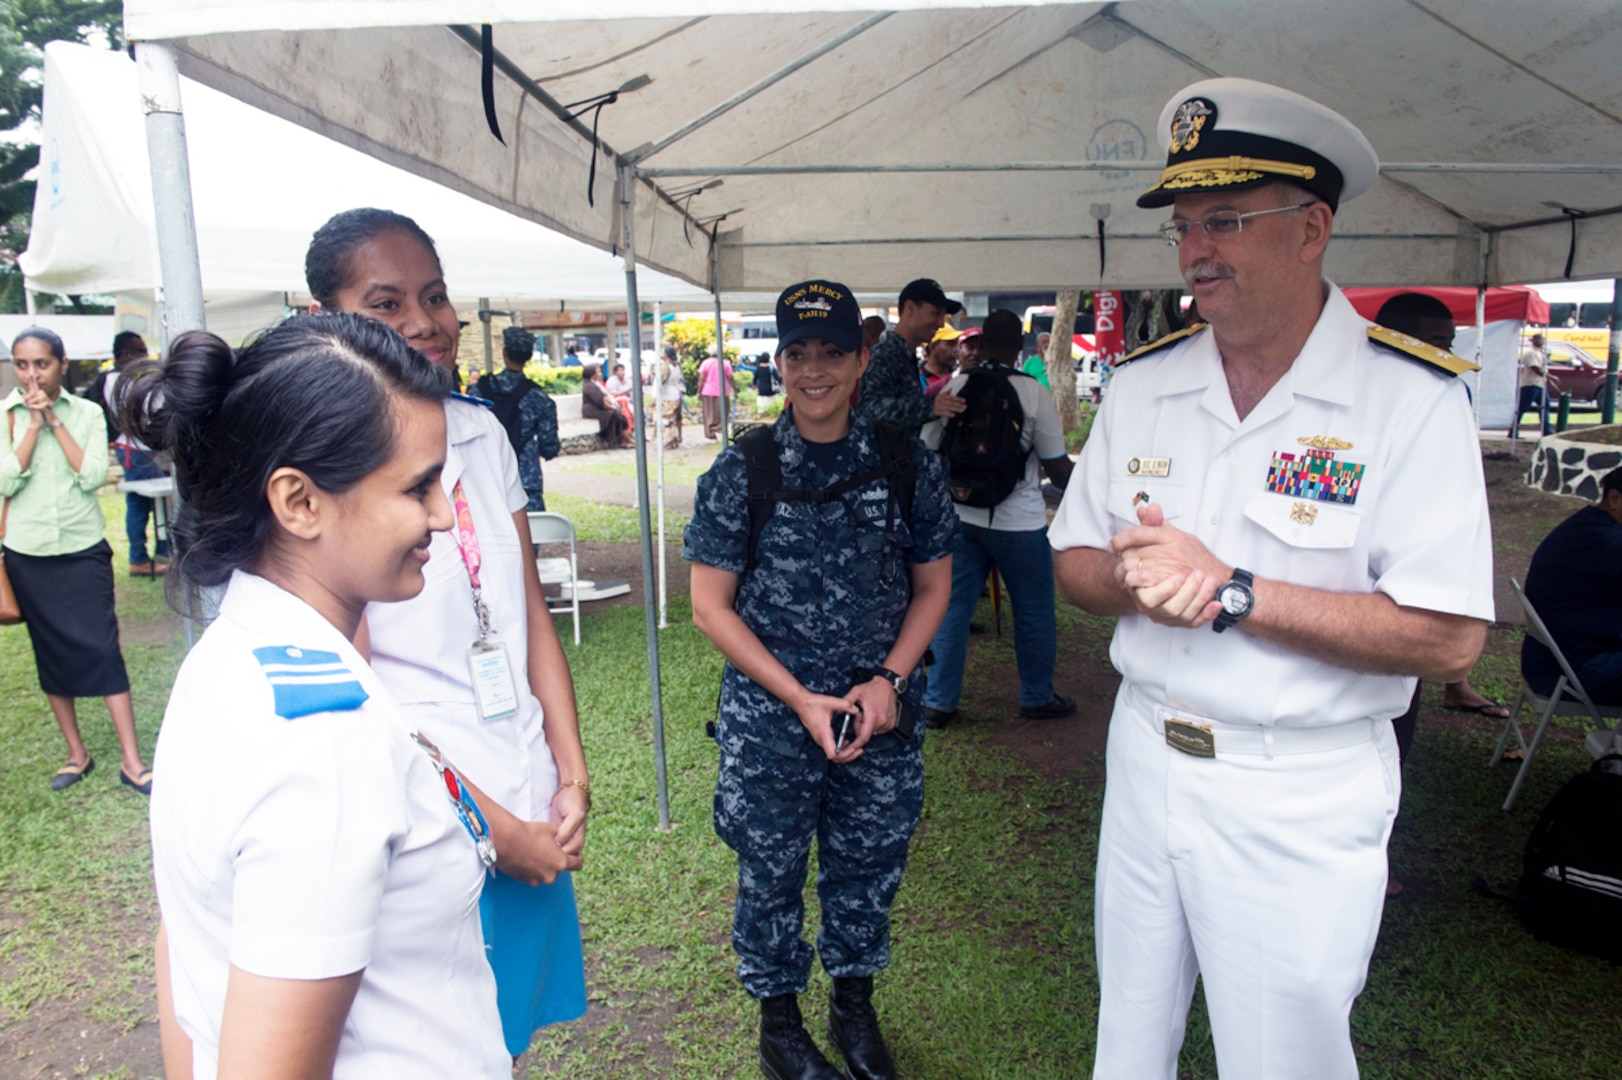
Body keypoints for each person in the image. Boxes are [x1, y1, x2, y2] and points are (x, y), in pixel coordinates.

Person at [1049, 78, 1493, 1078]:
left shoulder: (1406, 399)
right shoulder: (1144, 383)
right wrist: (1137, 582)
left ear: (1309, 230)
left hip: (1295, 781)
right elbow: (1075, 564)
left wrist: (1229, 588)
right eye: (1184, 227)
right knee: (1126, 1041)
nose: (1195, 249)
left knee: (1281, 1059)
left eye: (1225, 221)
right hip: (1145, 756)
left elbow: (1447, 638)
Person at [131, 314, 509, 1078]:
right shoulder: (324, 746)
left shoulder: (227, 661)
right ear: (298, 502)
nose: (441, 513)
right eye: (417, 486)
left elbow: (188, 950)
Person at [306, 207, 590, 1057]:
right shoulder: (320, 468)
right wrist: (499, 831)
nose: (424, 323)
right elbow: (357, 698)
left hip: (528, 787)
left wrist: (568, 774)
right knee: (438, 1046)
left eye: (434, 296)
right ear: (324, 320)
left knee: (504, 1041)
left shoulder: (482, 430)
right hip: (433, 823)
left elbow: (528, 612)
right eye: (386, 303)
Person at [685, 279, 957, 1080]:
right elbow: (710, 607)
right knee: (769, 872)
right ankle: (780, 1029)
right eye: (797, 353)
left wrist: (890, 679)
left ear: (862, 357)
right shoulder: (745, 470)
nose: (814, 371)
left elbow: (935, 586)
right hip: (774, 720)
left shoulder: (907, 464)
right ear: (779, 361)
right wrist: (800, 698)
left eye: (832, 352)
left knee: (867, 865)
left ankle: (854, 1009)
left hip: (874, 716)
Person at [3, 328, 151, 795]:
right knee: (49, 652)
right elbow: (6, 483)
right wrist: (30, 425)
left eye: (41, 364)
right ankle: (76, 753)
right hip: (28, 552)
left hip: (83, 546)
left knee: (104, 647)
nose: (32, 375)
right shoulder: (5, 416)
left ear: (62, 365)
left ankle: (132, 761)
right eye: (22, 365)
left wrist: (54, 423)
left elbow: (90, 476)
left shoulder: (87, 412)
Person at [921, 309, 1075, 729]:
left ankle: (938, 702)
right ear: (1019, 345)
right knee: (1033, 607)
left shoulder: (956, 385)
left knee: (952, 608)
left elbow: (929, 446)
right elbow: (1057, 467)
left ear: (983, 343)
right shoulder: (1032, 392)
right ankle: (1037, 696)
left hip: (960, 514)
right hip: (1019, 522)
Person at [1373, 293, 1510, 757]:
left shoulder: (1448, 389)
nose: (1446, 352)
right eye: (1435, 340)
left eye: (1449, 341)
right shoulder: (1362, 391)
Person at [1522, 466, 1622, 704]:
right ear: (1615, 499)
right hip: (1573, 672)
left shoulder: (1588, 527)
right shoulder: (1606, 541)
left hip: (1557, 662)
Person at [85, 331, 170, 574]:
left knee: (142, 502)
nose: (145, 356)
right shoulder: (117, 381)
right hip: (134, 449)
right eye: (141, 351)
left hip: (135, 449)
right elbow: (143, 412)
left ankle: (149, 554)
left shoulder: (120, 378)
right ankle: (143, 557)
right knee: (151, 501)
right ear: (125, 354)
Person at [855, 278, 965, 431]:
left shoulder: (905, 356)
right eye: (936, 313)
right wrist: (930, 406)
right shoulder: (885, 354)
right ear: (910, 308)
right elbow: (870, 409)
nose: (940, 323)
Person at [476, 325, 560, 512]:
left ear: (504, 352)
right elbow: (550, 446)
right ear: (530, 356)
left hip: (484, 475)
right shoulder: (539, 398)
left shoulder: (479, 390)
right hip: (525, 477)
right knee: (531, 535)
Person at [582, 362, 632, 448]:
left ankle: (624, 440)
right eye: (598, 372)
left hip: (599, 408)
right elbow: (600, 402)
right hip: (592, 410)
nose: (600, 374)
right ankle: (624, 440)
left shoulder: (596, 383)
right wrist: (613, 408)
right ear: (592, 374)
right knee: (615, 415)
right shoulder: (589, 386)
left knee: (620, 416)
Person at [1511, 332, 1550, 439]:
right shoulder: (1530, 353)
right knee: (1522, 408)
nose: (1542, 342)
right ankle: (1513, 430)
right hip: (1530, 384)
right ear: (1535, 340)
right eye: (1540, 339)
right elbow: (1535, 368)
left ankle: (1547, 430)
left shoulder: (1540, 353)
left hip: (1539, 384)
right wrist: (1551, 377)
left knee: (1545, 406)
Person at [698, 349, 734, 440]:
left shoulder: (705, 363)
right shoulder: (725, 363)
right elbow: (730, 378)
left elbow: (702, 378)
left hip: (708, 391)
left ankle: (710, 431)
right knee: (722, 412)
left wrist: (699, 391)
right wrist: (735, 390)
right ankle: (720, 429)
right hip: (722, 391)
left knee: (708, 412)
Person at [658, 344, 686, 449]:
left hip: (667, 395)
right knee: (672, 419)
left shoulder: (666, 366)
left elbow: (661, 380)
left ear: (666, 355)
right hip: (675, 393)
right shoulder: (676, 366)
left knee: (667, 420)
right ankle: (673, 440)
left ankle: (669, 441)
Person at [921, 325, 959, 395]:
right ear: (933, 347)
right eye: (950, 344)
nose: (956, 350)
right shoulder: (916, 378)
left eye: (956, 344)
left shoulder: (957, 377)